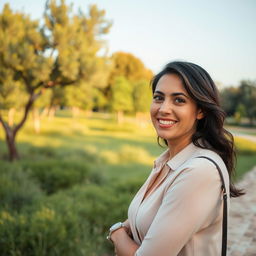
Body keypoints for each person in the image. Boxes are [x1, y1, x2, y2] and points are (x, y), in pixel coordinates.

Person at [107, 61, 244, 256]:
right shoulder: (168, 162)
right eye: (158, 98)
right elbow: (148, 217)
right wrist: (124, 228)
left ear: (201, 110)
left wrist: (116, 232)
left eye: (178, 100)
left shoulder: (198, 171)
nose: (163, 108)